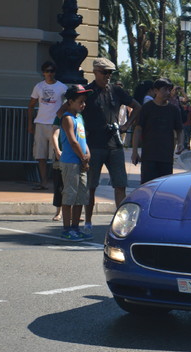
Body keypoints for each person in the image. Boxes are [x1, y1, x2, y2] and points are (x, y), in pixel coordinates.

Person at [60, 58, 141, 234]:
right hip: (93, 146)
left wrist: (127, 126)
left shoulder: (117, 91)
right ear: (95, 71)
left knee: (120, 185)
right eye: (105, 72)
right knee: (90, 186)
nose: (108, 76)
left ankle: (121, 224)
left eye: (110, 73)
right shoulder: (87, 92)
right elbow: (64, 111)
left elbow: (137, 107)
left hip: (115, 146)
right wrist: (76, 125)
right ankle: (88, 222)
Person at [132, 78, 184, 184]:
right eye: (165, 89)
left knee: (163, 188)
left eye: (169, 90)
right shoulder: (146, 108)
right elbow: (138, 130)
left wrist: (181, 143)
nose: (168, 93)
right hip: (149, 156)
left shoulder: (173, 110)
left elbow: (179, 129)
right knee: (147, 187)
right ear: (156, 91)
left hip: (166, 157)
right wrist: (134, 151)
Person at [59, 85, 93, 241]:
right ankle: (66, 229)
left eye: (84, 101)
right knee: (69, 195)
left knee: (81, 196)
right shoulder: (67, 118)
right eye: (80, 101)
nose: (83, 104)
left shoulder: (80, 118)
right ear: (70, 101)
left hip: (81, 161)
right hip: (71, 162)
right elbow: (73, 142)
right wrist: (83, 157)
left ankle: (75, 227)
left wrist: (88, 154)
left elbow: (83, 139)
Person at [27, 61, 67, 190]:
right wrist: (30, 124)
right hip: (41, 124)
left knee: (56, 155)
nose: (49, 74)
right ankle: (43, 182)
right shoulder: (38, 87)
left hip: (55, 125)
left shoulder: (62, 87)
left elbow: (67, 104)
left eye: (51, 71)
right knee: (41, 155)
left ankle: (58, 183)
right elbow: (31, 105)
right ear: (43, 72)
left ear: (54, 72)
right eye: (46, 71)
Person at [50, 116, 63, 221]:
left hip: (74, 155)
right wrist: (57, 151)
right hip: (61, 154)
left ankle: (72, 212)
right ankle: (58, 212)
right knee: (59, 185)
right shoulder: (60, 117)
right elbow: (55, 134)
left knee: (72, 185)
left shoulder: (80, 117)